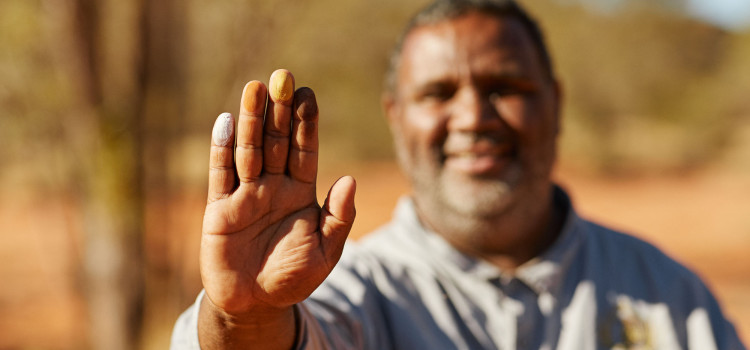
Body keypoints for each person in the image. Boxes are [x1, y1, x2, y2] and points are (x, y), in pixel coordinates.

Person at [171, 0, 746, 349]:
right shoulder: (350, 292)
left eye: (505, 88)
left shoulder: (668, 294)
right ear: (395, 116)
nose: (474, 118)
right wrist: (246, 318)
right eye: (438, 93)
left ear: (556, 102)